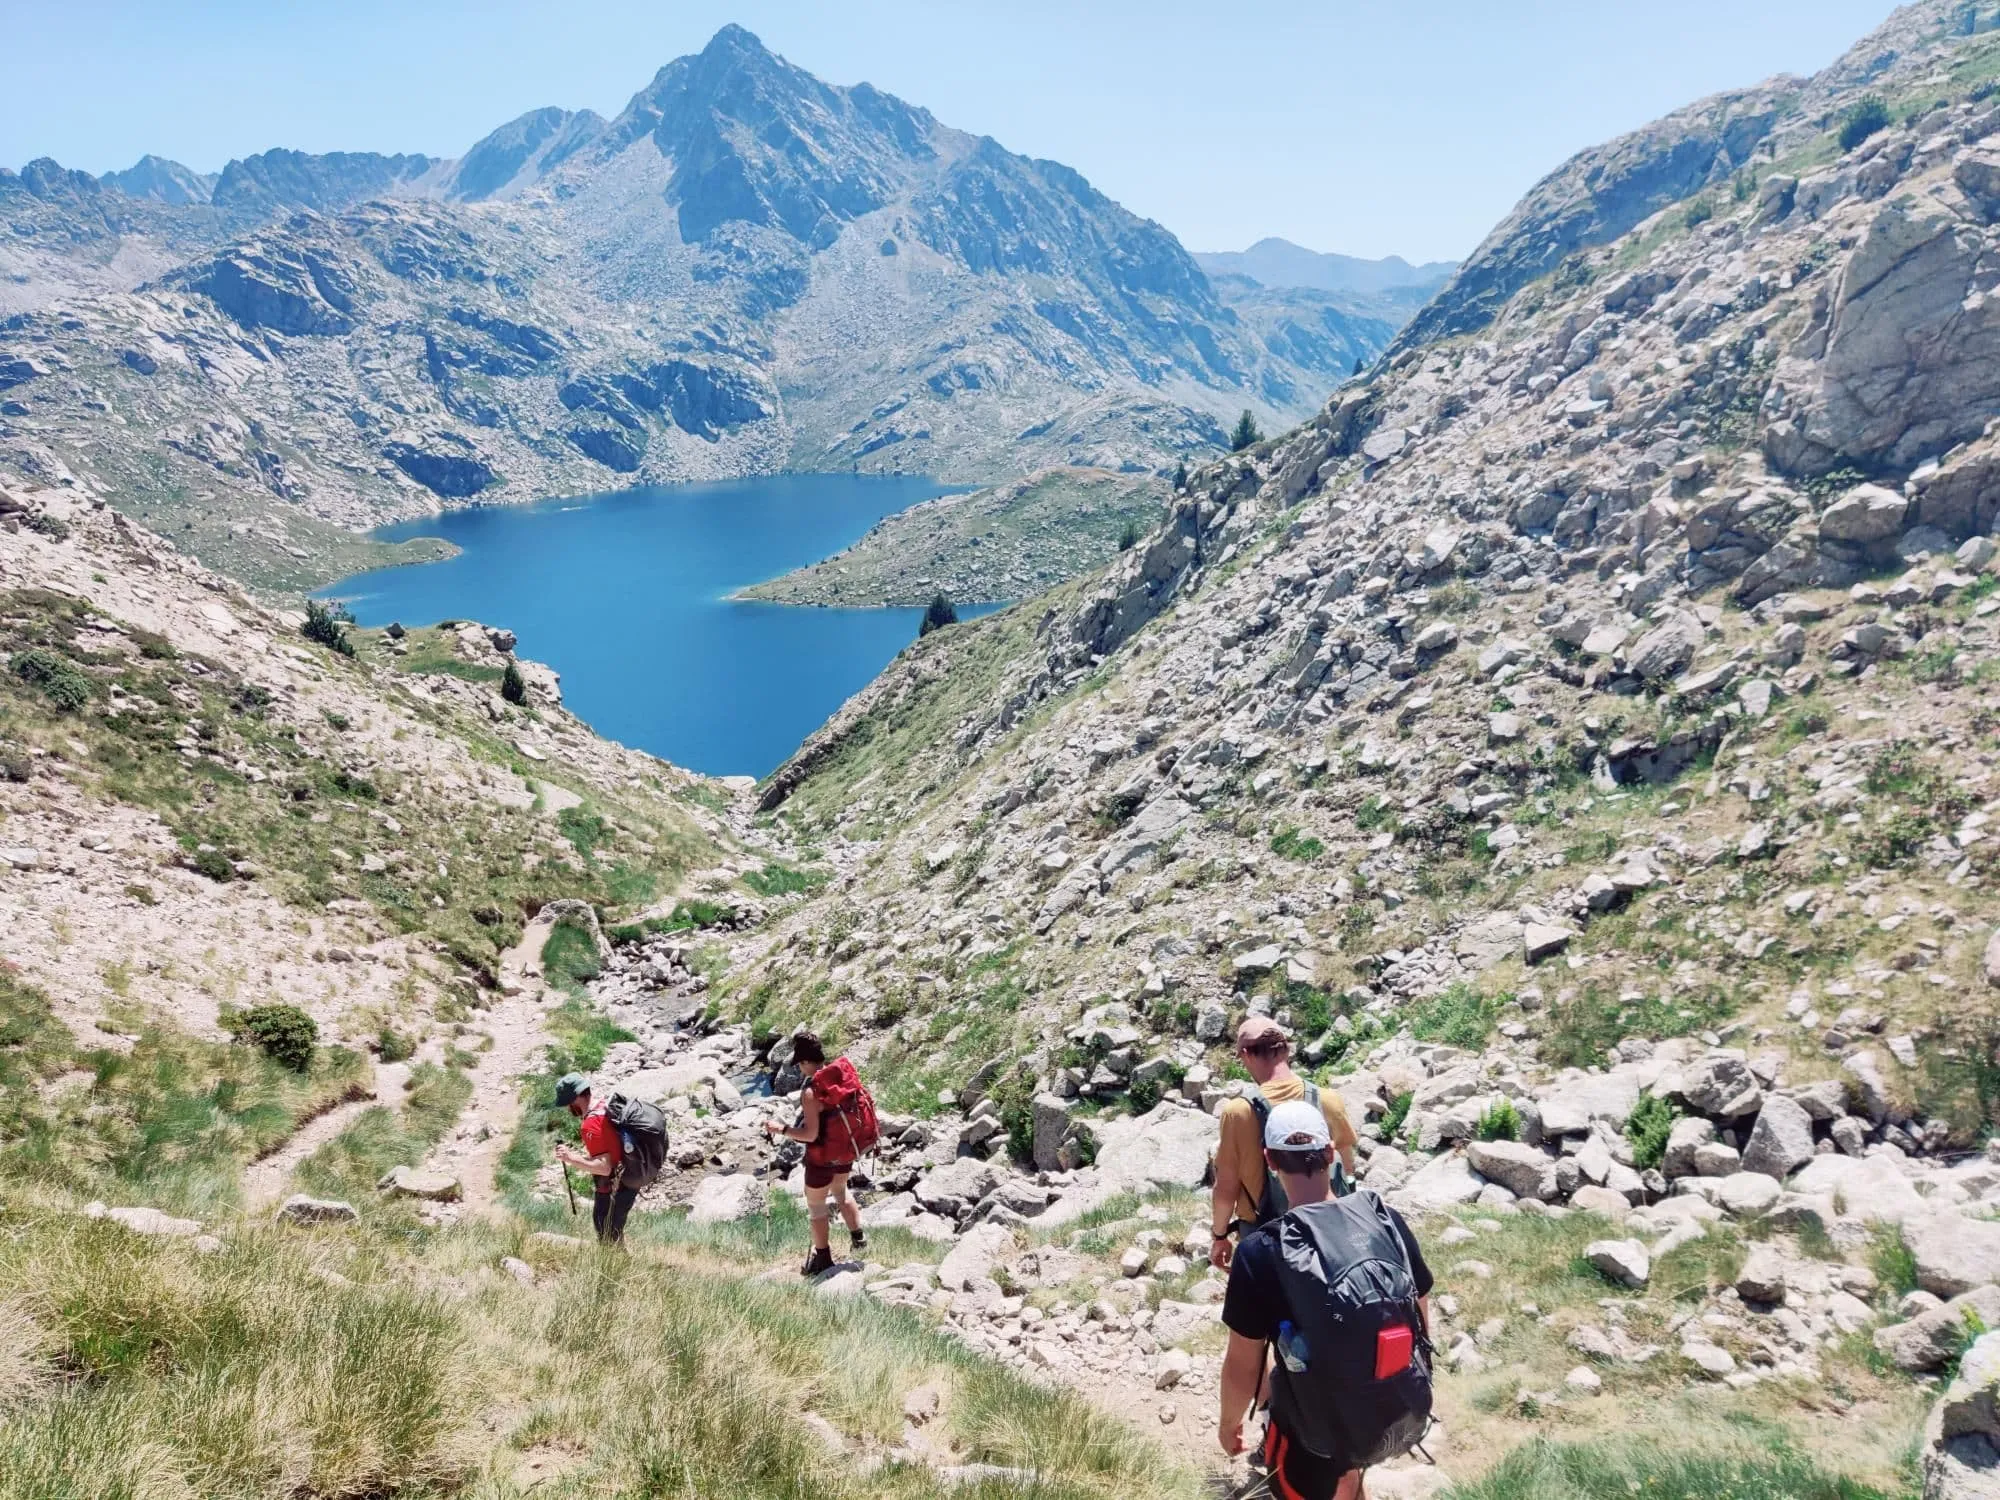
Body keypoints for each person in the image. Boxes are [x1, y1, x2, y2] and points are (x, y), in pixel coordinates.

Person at [1218, 1101, 1434, 1500]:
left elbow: (1243, 1363)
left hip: (1312, 1427)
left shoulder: (1263, 1251)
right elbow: (1418, 1311)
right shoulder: (1383, 1218)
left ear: (1269, 1160)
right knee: (1350, 1471)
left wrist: (1229, 1422)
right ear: (1332, 1154)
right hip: (1390, 1401)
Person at [1210, 1016, 1359, 1270]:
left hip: (1266, 1238)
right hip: (1330, 1234)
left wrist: (1219, 1235)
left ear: (1246, 1055)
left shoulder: (1238, 1112)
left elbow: (1226, 1187)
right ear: (1287, 1049)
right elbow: (1347, 1173)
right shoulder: (1328, 1100)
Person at [764, 1031, 868, 1276]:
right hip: (845, 1150)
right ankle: (859, 1239)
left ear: (807, 1062)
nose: (800, 1069)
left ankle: (822, 1257)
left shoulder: (812, 1091)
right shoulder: (840, 1076)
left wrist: (782, 1129)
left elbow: (810, 1135)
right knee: (842, 1192)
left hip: (822, 1157)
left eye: (800, 1064)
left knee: (816, 1205)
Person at [553, 1072, 635, 1245]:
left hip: (612, 1188)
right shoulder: (605, 1106)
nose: (568, 1109)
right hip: (629, 1177)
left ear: (575, 1099)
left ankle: (617, 1269)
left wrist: (571, 1158)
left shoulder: (591, 1123)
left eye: (568, 1104)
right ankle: (623, 1263)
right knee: (615, 1232)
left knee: (606, 1234)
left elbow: (604, 1167)